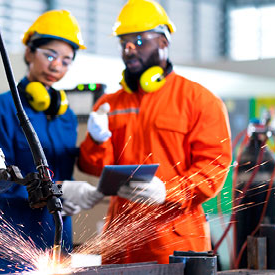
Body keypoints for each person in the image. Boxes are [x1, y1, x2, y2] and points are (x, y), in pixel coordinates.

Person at [77, 0, 233, 264]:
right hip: (120, 240)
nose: (128, 49)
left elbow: (214, 166)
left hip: (174, 240)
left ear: (163, 42)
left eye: (138, 41)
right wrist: (96, 139)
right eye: (123, 42)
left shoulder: (199, 100)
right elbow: (94, 167)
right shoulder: (109, 104)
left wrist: (169, 191)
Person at [0, 10, 102, 274]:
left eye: (66, 60)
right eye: (49, 55)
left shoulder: (67, 116)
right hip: (13, 238)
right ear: (29, 53)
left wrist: (98, 140)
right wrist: (54, 190)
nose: (56, 66)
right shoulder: (4, 106)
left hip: (58, 237)